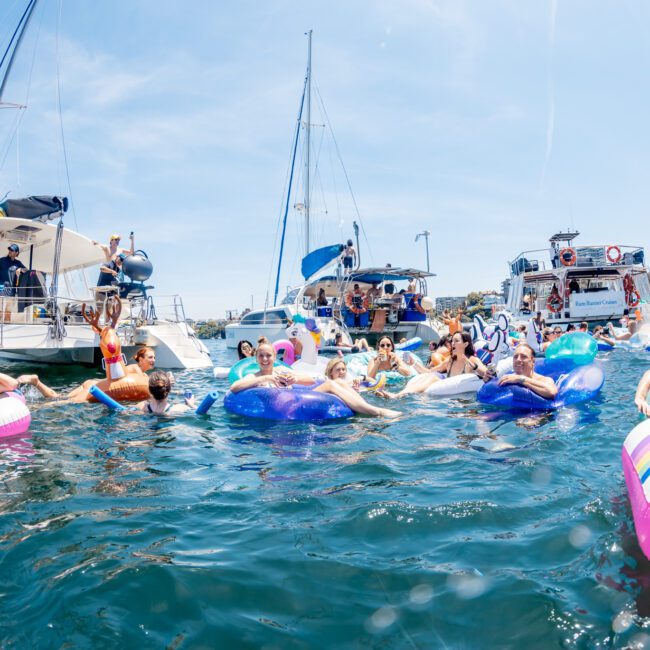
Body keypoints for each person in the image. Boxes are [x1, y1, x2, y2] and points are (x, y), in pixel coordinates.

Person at [230, 343, 400, 418]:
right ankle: (376, 412)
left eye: (268, 355)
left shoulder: (282, 370)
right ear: (256, 358)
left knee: (339, 382)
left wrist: (293, 378)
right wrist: (267, 378)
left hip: (296, 400)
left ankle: (369, 409)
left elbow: (310, 380)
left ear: (274, 357)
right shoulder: (256, 376)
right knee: (332, 383)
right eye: (261, 356)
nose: (265, 359)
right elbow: (235, 387)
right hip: (287, 409)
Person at [378, 331, 491, 398]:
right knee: (431, 376)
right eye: (452, 341)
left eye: (456, 341)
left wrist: (475, 367)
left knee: (433, 377)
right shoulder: (450, 360)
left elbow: (487, 373)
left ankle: (398, 395)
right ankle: (400, 394)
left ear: (466, 344)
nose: (452, 343)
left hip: (462, 401)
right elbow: (430, 372)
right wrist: (414, 363)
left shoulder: (472, 360)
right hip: (448, 394)